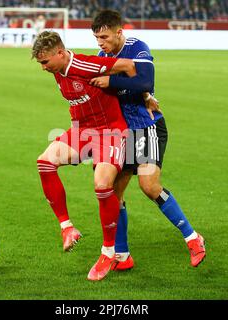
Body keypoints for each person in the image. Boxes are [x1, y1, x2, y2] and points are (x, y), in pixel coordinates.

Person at [89, 9, 206, 270]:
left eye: (105, 37)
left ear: (119, 32)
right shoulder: (102, 56)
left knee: (149, 186)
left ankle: (193, 238)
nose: (101, 43)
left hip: (146, 126)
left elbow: (145, 81)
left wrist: (111, 81)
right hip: (121, 132)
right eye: (97, 38)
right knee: (113, 192)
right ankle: (122, 255)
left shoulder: (137, 48)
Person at [33, 31, 139, 281]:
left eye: (45, 62)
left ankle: (108, 252)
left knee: (103, 186)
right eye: (40, 63)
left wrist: (141, 97)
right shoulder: (57, 70)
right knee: (45, 162)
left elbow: (129, 65)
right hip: (82, 131)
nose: (43, 68)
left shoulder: (84, 64)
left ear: (60, 53)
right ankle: (67, 228)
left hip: (110, 132)